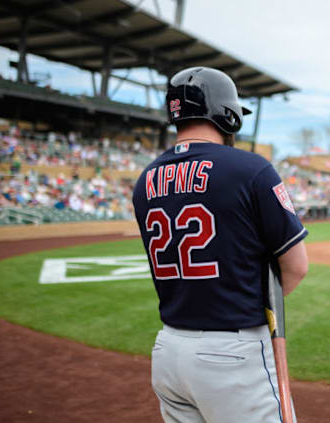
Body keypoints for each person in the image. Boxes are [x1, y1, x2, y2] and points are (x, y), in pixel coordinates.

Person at [132, 67, 308, 423]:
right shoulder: (251, 169)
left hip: (167, 350)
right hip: (234, 353)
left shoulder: (145, 178)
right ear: (226, 113)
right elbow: (296, 265)